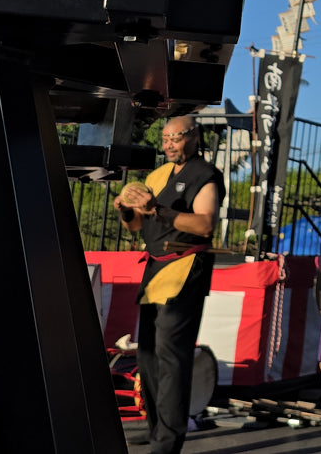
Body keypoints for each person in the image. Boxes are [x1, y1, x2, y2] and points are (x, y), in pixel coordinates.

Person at [113, 115, 224, 454]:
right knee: (146, 354)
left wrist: (158, 210)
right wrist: (124, 209)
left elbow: (205, 225)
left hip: (186, 268)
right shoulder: (157, 176)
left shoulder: (206, 175)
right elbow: (134, 226)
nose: (169, 144)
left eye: (176, 137)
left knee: (172, 357)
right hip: (155, 270)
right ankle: (157, 428)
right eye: (165, 138)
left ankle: (168, 441)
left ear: (194, 136)